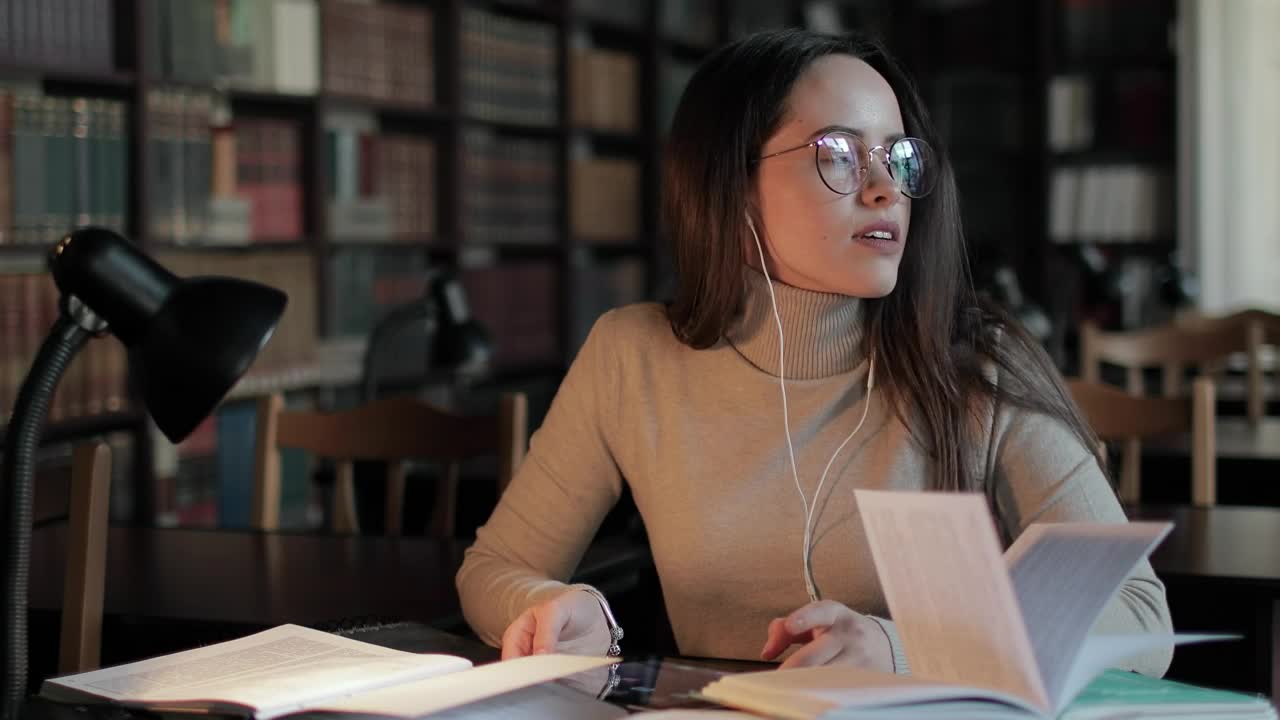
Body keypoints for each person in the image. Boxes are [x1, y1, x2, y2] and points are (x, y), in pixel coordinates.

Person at [456, 28, 1172, 676]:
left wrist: (898, 648)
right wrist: (553, 608)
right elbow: (497, 568)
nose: (885, 188)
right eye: (838, 154)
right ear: (728, 186)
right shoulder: (633, 355)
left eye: (896, 156)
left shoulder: (978, 366)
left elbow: (1142, 622)